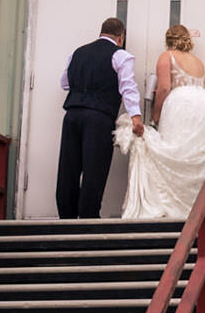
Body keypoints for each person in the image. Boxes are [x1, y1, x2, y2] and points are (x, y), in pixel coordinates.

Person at [116, 23, 205, 219]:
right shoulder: (199, 62)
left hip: (182, 105)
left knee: (174, 150)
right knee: (194, 156)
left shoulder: (167, 56)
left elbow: (164, 88)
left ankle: (173, 205)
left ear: (168, 40)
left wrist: (155, 117)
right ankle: (195, 208)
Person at [54, 16, 143, 219]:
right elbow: (128, 87)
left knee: (68, 167)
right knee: (94, 168)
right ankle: (88, 217)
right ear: (120, 37)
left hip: (72, 115)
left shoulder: (78, 52)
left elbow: (64, 83)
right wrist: (135, 117)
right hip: (99, 117)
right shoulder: (120, 55)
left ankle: (66, 217)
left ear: (101, 32)